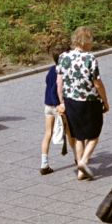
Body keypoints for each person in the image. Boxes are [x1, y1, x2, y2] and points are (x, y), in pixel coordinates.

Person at [57, 26, 110, 180]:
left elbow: (59, 82)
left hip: (71, 101)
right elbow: (97, 83)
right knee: (94, 134)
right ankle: (84, 162)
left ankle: (80, 170)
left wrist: (62, 101)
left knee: (79, 136)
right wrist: (105, 101)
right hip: (89, 101)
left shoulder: (63, 57)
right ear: (86, 41)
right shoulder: (90, 59)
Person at [41, 48, 68, 176]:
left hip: (47, 106)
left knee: (47, 133)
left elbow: (47, 83)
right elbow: (54, 90)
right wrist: (58, 104)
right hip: (57, 106)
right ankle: (79, 159)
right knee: (71, 135)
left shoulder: (51, 70)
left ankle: (44, 163)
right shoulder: (62, 71)